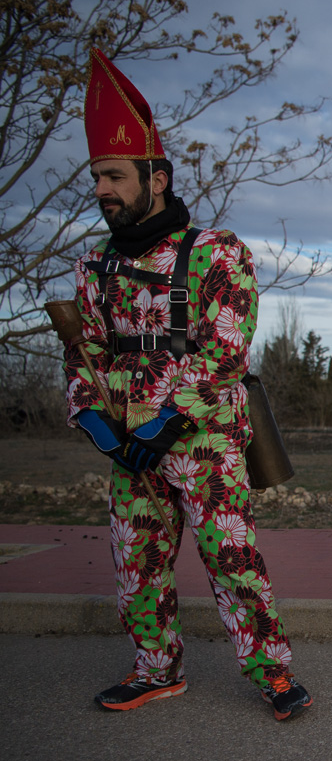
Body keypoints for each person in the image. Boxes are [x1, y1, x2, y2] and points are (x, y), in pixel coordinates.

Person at [61, 48, 311, 720]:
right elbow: (81, 356)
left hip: (200, 441)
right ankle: (156, 669)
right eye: (97, 178)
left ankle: (273, 675)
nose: (103, 190)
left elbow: (227, 350)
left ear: (158, 177)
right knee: (135, 566)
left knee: (232, 561)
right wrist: (97, 423)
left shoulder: (214, 253)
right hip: (127, 449)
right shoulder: (93, 269)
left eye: (113, 175)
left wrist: (165, 422)